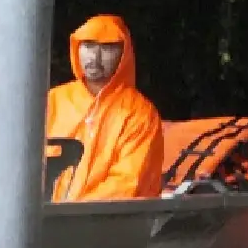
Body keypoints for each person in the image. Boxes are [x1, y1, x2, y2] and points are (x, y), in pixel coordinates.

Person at [44, 14, 164, 201]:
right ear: (76, 48)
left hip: (109, 223)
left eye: (107, 47)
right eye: (88, 45)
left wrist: (72, 213)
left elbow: (127, 182)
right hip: (44, 219)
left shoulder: (140, 113)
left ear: (124, 54)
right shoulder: (53, 100)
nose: (95, 56)